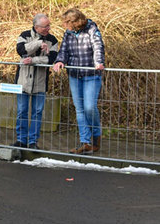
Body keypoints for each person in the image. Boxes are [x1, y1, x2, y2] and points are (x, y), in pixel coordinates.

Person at [52, 8, 105, 155]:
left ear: (75, 22)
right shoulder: (68, 33)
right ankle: (85, 142)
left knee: (89, 107)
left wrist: (99, 62)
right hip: (74, 75)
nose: (64, 25)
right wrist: (60, 61)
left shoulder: (92, 29)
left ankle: (96, 138)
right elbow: (64, 49)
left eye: (66, 22)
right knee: (79, 109)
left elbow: (98, 46)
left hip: (91, 74)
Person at [14, 14, 59, 149]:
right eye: (45, 26)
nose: (48, 28)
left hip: (40, 82)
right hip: (23, 81)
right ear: (36, 27)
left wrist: (34, 60)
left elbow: (52, 59)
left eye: (49, 25)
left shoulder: (53, 40)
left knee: (37, 112)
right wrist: (38, 43)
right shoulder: (24, 35)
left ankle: (33, 141)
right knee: (21, 111)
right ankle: (21, 140)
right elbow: (21, 50)